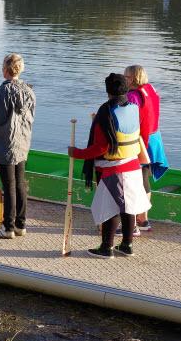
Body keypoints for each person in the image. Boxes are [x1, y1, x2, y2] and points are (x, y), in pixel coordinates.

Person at [68, 73, 152, 259]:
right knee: (128, 207)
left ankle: (106, 248)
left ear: (107, 91)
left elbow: (101, 147)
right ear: (126, 88)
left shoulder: (106, 112)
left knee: (111, 208)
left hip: (113, 169)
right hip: (133, 166)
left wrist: (77, 153)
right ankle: (127, 245)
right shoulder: (134, 108)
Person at [0, 53, 36, 238]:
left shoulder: (5, 90)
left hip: (6, 143)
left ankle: (7, 227)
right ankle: (20, 225)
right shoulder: (29, 90)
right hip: (22, 142)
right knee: (20, 183)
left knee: (9, 185)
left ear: (5, 70)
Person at [122, 64, 169, 234]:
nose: (123, 79)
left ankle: (133, 224)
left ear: (132, 78)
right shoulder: (150, 89)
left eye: (125, 76)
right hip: (154, 139)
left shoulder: (133, 96)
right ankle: (143, 220)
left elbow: (128, 121)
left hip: (143, 142)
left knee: (134, 181)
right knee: (144, 179)